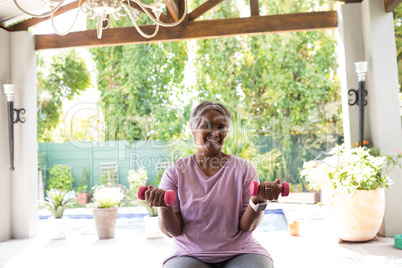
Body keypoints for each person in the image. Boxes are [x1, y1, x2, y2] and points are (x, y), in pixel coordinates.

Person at [144, 101, 282, 268]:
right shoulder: (175, 173)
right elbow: (172, 231)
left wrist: (259, 200)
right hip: (189, 253)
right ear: (193, 130)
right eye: (206, 125)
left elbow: (247, 227)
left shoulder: (244, 169)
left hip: (241, 251)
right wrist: (165, 207)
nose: (214, 132)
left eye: (221, 127)